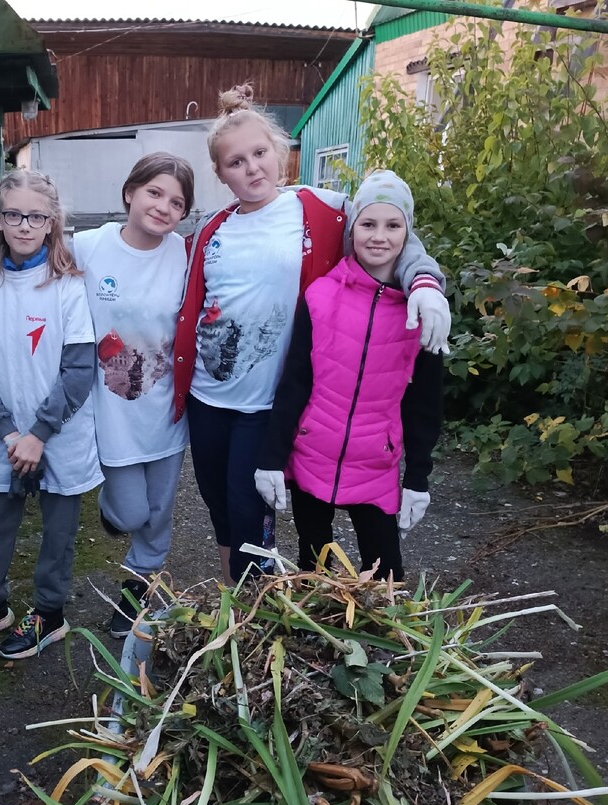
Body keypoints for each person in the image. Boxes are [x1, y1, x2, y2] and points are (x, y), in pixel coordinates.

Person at [172, 85, 450, 586]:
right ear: (220, 173)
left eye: (260, 153)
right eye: (236, 162)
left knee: (248, 509)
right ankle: (230, 604)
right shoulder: (212, 227)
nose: (252, 168)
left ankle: (257, 601)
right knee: (219, 506)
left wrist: (425, 284)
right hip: (208, 397)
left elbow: (390, 230)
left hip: (269, 401)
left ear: (280, 151)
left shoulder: (323, 209)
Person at [254, 170, 444, 582]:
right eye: (368, 223)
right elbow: (295, 382)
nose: (379, 236)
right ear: (352, 227)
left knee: (385, 574)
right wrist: (272, 457)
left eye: (393, 225)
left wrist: (418, 477)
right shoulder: (320, 296)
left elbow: (425, 403)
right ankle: (318, 641)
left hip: (375, 464)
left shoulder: (423, 312)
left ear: (408, 233)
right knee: (314, 566)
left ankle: (376, 643)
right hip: (312, 455)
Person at [0, 170, 102, 659]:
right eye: (13, 214)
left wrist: (38, 433)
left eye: (36, 215)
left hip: (59, 436)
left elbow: (78, 369)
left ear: (53, 221)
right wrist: (8, 431)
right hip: (3, 437)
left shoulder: (67, 285)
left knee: (59, 531)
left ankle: (49, 613)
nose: (24, 225)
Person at [72, 153, 195, 638]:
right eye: (155, 192)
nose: (164, 207)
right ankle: (110, 511)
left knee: (159, 514)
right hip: (111, 412)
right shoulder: (88, 247)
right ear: (130, 192)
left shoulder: (185, 255)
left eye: (177, 202)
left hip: (165, 411)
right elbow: (36, 272)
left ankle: (137, 590)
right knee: (131, 512)